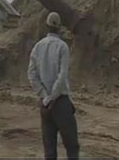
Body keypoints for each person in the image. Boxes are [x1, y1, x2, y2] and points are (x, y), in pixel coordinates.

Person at [27, 11, 80, 160]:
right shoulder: (62, 47)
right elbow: (62, 76)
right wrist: (52, 97)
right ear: (60, 27)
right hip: (61, 102)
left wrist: (45, 98)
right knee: (72, 146)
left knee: (49, 150)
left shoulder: (37, 47)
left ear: (46, 26)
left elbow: (31, 74)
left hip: (45, 106)